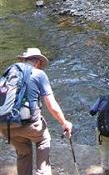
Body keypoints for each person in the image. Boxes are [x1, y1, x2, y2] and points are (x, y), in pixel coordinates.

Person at [0, 47, 72, 175]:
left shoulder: (10, 73)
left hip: (6, 125)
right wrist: (64, 122)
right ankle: (42, 171)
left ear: (25, 60)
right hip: (30, 125)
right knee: (43, 140)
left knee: (23, 153)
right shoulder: (39, 74)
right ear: (38, 62)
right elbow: (51, 105)